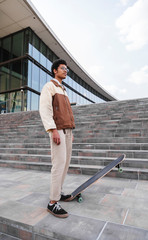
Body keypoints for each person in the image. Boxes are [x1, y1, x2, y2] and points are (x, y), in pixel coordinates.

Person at [39, 59, 75, 218]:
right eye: (63, 68)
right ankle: (52, 202)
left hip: (67, 130)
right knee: (58, 164)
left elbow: (67, 113)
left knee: (65, 163)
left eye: (67, 69)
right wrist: (52, 130)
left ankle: (59, 193)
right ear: (55, 70)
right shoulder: (49, 87)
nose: (66, 71)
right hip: (57, 129)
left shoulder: (64, 90)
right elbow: (45, 109)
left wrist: (71, 132)